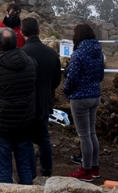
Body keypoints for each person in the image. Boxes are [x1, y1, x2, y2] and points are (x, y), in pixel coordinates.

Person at [0, 27, 37, 184]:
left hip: (2, 122)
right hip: (25, 120)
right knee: (24, 165)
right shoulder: (31, 63)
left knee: (5, 167)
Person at [63, 23, 105, 181]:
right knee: (92, 133)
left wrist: (66, 91)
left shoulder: (78, 54)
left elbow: (72, 77)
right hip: (95, 95)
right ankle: (95, 167)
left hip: (80, 98)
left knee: (84, 135)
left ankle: (86, 170)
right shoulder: (98, 52)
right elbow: (101, 75)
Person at [20, 17, 61, 178]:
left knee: (28, 139)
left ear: (22, 33)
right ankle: (46, 173)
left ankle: (31, 174)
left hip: (26, 104)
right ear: (39, 31)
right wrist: (47, 91)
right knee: (44, 138)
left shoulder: (22, 54)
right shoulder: (51, 53)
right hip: (44, 102)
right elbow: (57, 79)